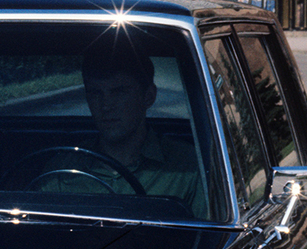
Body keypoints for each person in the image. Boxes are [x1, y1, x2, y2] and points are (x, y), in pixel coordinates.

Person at [36, 46, 204, 213]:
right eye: (96, 93)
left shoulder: (187, 168)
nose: (106, 106)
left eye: (119, 92)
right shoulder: (62, 169)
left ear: (148, 96)